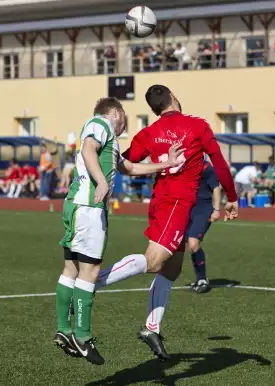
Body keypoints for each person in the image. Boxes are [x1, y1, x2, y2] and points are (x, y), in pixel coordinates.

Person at [94, 85, 239, 361]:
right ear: (173, 97)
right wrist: (232, 197)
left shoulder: (148, 133)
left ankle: (151, 328)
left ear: (153, 109)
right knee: (154, 261)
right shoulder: (197, 126)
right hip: (176, 202)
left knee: (171, 269)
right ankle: (92, 282)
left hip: (169, 201)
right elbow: (219, 162)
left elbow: (124, 162)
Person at [53, 97, 185, 366]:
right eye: (124, 118)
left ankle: (64, 331)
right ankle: (82, 336)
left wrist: (166, 164)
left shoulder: (110, 144)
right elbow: (88, 149)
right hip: (89, 208)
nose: (125, 125)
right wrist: (101, 182)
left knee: (71, 269)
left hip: (76, 206)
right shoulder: (101, 123)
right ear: (115, 113)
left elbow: (132, 167)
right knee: (90, 271)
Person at [187, 160, 221, 294]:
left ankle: (202, 279)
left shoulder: (205, 166)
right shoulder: (179, 164)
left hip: (202, 209)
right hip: (184, 209)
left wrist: (216, 209)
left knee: (193, 243)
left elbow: (216, 187)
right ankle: (198, 278)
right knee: (184, 245)